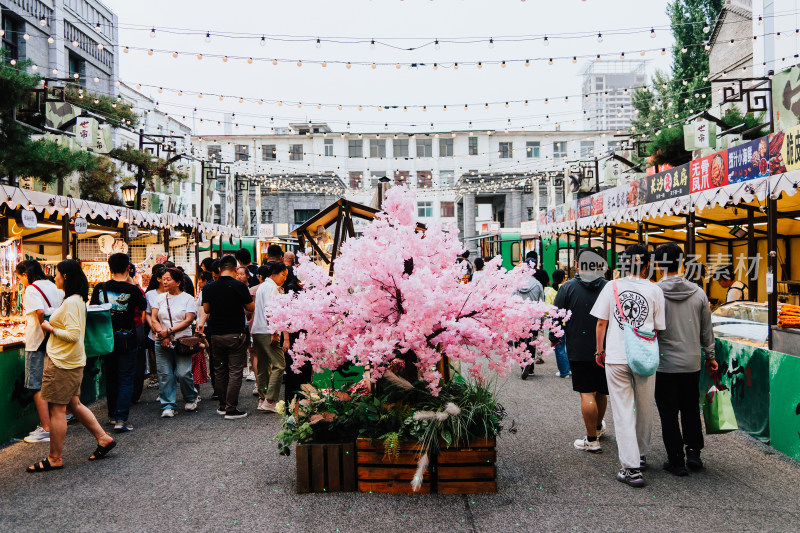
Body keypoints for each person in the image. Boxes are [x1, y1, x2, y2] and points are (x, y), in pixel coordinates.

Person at [26, 260, 115, 472]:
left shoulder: (72, 302)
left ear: (65, 276)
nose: (54, 277)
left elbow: (73, 335)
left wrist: (50, 328)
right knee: (74, 405)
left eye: (56, 274)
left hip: (62, 363)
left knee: (58, 410)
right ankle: (103, 438)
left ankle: (54, 457)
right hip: (71, 361)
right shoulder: (75, 300)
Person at [592, 244, 665, 488]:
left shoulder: (612, 286)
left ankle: (630, 467)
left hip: (616, 355)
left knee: (623, 410)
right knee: (645, 407)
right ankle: (641, 455)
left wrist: (599, 350)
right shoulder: (655, 290)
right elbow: (658, 327)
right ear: (646, 264)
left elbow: (601, 323)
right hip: (644, 356)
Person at [654, 244, 719, 476]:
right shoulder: (699, 293)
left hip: (663, 364)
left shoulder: (654, 292)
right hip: (692, 362)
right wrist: (710, 357)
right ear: (681, 263)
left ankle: (676, 460)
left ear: (658, 265)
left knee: (668, 412)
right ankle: (694, 453)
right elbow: (706, 331)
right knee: (690, 408)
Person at [549, 248, 608, 453]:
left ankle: (592, 439)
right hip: (606, 349)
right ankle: (598, 427)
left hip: (579, 347)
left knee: (586, 393)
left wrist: (554, 338)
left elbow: (556, 317)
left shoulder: (567, 288)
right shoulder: (609, 287)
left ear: (577, 262)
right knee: (601, 391)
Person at [90, 253, 147, 433]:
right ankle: (121, 419)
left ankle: (112, 415)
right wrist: (132, 282)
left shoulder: (100, 288)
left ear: (109, 268)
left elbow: (93, 309)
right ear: (128, 268)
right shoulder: (132, 289)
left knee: (112, 377)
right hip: (127, 338)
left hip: (106, 339)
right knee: (126, 378)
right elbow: (144, 306)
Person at [15, 260, 65, 443]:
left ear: (26, 275)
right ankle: (56, 422)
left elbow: (40, 312)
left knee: (36, 385)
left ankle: (46, 428)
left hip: (37, 343)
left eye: (20, 277)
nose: (20, 281)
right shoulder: (53, 286)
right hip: (54, 342)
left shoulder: (31, 289)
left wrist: (44, 333)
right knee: (51, 383)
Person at [202, 254, 255, 419]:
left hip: (216, 335)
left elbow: (206, 310)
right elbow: (251, 307)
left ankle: (222, 405)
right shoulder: (239, 286)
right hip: (234, 335)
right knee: (235, 371)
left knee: (220, 370)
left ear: (219, 269)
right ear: (234, 269)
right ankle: (231, 408)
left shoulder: (209, 287)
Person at [150, 267, 200, 418]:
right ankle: (168, 405)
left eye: (168, 279)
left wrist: (169, 331)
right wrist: (162, 333)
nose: (164, 282)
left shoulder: (188, 298)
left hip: (182, 341)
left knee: (183, 372)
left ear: (178, 282)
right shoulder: (159, 298)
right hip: (162, 340)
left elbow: (188, 319)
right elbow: (153, 319)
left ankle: (191, 397)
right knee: (164, 373)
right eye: (163, 279)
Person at [251, 262, 290, 412]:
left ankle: (263, 398)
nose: (284, 278)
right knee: (279, 364)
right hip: (267, 331)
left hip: (257, 330)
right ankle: (270, 400)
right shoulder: (272, 288)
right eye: (283, 275)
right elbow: (270, 311)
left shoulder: (263, 287)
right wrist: (274, 332)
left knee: (263, 365)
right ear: (274, 273)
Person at [516, 252, 544, 379]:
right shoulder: (538, 284)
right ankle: (530, 368)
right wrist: (542, 319)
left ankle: (523, 365)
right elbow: (541, 302)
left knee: (521, 342)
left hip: (519, 318)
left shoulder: (517, 284)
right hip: (533, 318)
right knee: (531, 343)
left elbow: (512, 301)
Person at [144, 264, 167, 391]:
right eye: (165, 278)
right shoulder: (150, 295)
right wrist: (152, 324)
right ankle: (163, 389)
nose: (167, 281)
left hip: (171, 332)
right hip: (154, 334)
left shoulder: (173, 293)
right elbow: (148, 313)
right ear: (158, 279)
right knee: (160, 362)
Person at [129, 264, 149, 405]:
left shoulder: (106, 288)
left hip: (116, 331)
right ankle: (135, 393)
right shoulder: (138, 290)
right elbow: (143, 308)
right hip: (136, 327)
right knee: (138, 362)